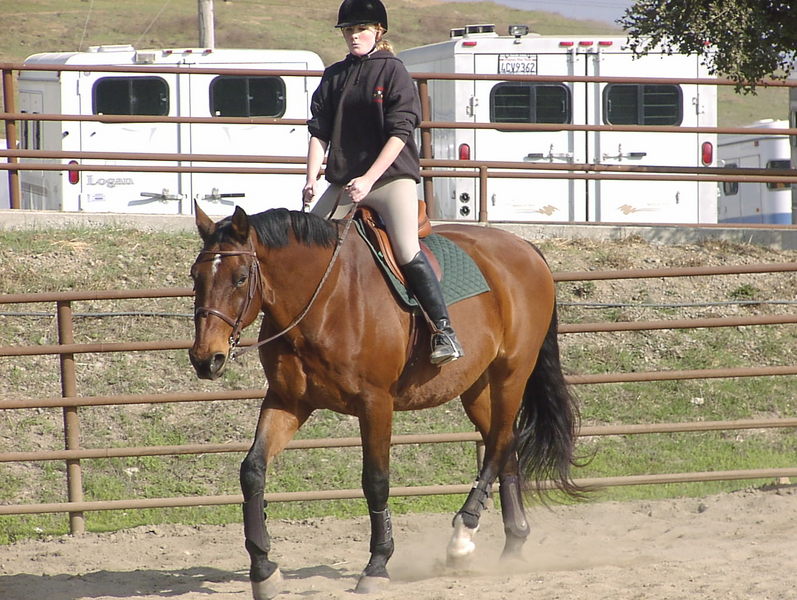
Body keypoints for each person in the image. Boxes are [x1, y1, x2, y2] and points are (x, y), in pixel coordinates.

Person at [302, 0, 463, 366]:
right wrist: (311, 178)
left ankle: (443, 332)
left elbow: (400, 133)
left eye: (361, 29)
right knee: (309, 243)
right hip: (345, 183)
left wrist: (369, 179)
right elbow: (318, 132)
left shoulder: (394, 72)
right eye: (348, 30)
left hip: (390, 179)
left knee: (406, 249)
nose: (353, 35)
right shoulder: (333, 75)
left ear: (378, 31)